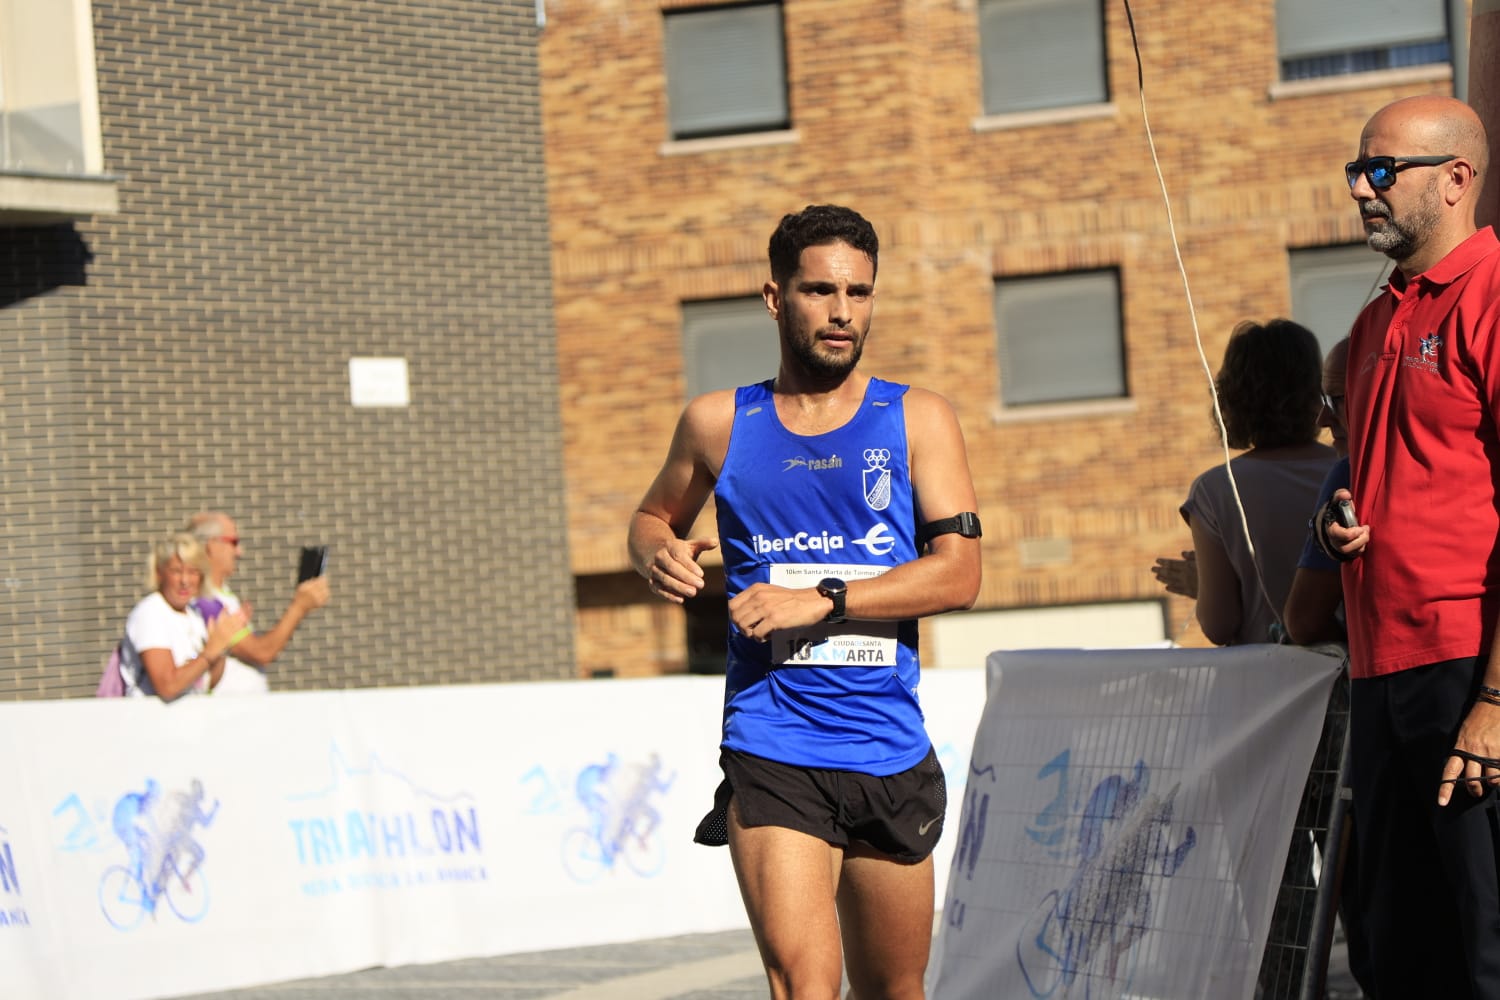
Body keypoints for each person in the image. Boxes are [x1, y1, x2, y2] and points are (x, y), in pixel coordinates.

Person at [628, 204, 982, 1000]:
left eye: (859, 293)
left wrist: (820, 598)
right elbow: (652, 519)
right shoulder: (719, 424)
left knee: (895, 989)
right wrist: (659, 555)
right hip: (774, 744)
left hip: (889, 750)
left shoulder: (918, 418)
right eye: (821, 291)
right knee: (806, 987)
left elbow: (959, 574)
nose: (842, 313)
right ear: (774, 297)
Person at [1323, 95, 1500, 999]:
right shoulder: (1371, 323)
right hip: (1381, 673)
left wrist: (1497, 701)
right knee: (1394, 951)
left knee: (1485, 948)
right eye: (1359, 168)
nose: (1361, 188)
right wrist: (1338, 518)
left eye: (1382, 170)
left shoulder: (1495, 294)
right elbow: (1374, 475)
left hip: (1471, 668)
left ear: (1457, 180)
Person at [1171, 319, 1336, 645]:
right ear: (1314, 389)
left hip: (1271, 685)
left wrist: (1200, 587)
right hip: (1354, 674)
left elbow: (1220, 624)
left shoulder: (1216, 490)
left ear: (1232, 396)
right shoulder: (1351, 468)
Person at [184, 511, 330, 694]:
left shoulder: (221, 595)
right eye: (234, 542)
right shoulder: (205, 601)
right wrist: (298, 607)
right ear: (212, 545)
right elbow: (261, 652)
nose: (239, 552)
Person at [118, 532, 250, 700]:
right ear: (159, 573)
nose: (185, 580)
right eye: (176, 571)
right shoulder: (151, 612)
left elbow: (207, 682)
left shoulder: (193, 615)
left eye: (193, 572)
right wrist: (209, 653)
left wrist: (220, 648)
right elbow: (168, 686)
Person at [1282, 336, 1352, 645]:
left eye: (1337, 399)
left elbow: (1304, 622)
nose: (1323, 418)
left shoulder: (1349, 472)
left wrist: (1353, 653)